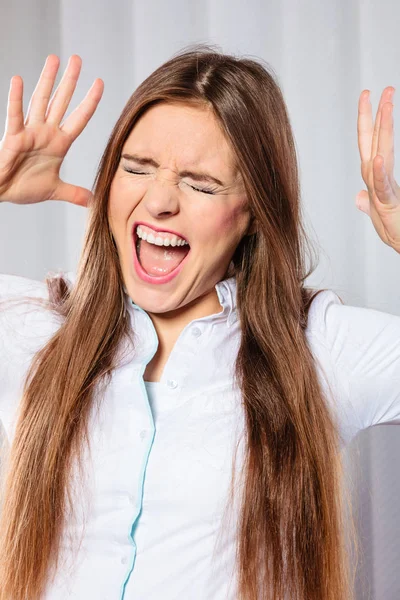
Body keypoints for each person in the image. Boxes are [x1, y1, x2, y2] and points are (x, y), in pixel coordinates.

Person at [0, 45, 399, 600]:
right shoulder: (32, 329)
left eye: (202, 184)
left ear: (256, 212)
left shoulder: (318, 348)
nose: (159, 200)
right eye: (136, 168)